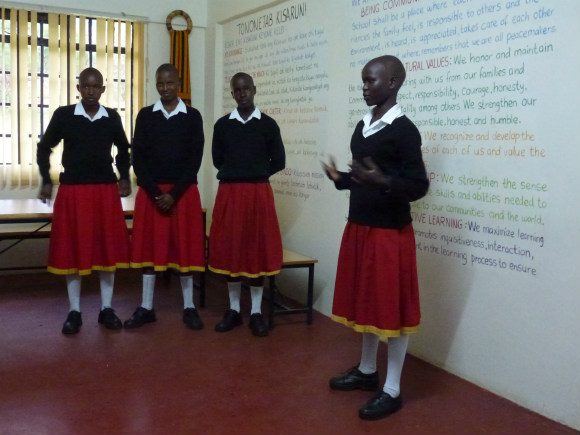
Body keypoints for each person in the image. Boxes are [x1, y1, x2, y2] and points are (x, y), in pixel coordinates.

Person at [322, 55, 429, 420]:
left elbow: (418, 185)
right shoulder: (363, 125)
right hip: (360, 226)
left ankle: (393, 389)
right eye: (363, 82)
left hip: (388, 233)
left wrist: (382, 182)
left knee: (393, 309)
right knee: (366, 304)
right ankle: (367, 372)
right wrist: (343, 180)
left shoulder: (404, 131)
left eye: (371, 81)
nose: (365, 87)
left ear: (394, 83)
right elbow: (363, 174)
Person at [37, 67, 131, 335]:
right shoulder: (64, 115)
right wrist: (45, 179)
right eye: (85, 86)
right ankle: (75, 311)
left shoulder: (111, 117)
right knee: (72, 251)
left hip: (104, 191)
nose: (90, 90)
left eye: (96, 86)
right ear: (78, 88)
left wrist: (124, 176)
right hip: (73, 191)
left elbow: (124, 149)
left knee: (107, 251)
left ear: (103, 89)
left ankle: (106, 309)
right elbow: (45, 147)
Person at [124, 63, 205, 330]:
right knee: (149, 252)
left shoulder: (192, 116)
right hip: (152, 193)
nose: (165, 88)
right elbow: (138, 158)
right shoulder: (146, 115)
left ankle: (189, 307)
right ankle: (146, 307)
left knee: (185, 252)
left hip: (183, 194)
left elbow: (195, 159)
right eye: (160, 83)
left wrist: (174, 194)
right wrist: (157, 193)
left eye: (170, 83)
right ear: (156, 84)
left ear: (178, 83)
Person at [209, 72, 285, 337]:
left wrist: (254, 172)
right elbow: (217, 160)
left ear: (254, 90)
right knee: (231, 250)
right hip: (230, 193)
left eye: (246, 89)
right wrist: (238, 173)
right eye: (237, 90)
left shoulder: (268, 125)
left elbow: (279, 161)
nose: (242, 94)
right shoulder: (222, 125)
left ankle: (254, 312)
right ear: (232, 94)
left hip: (257, 194)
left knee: (255, 251)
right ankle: (233, 310)